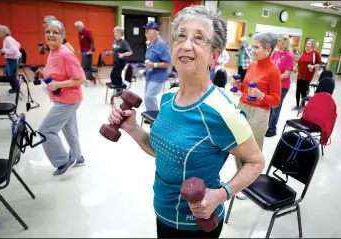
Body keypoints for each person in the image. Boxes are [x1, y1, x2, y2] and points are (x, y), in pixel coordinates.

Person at [108, 6, 265, 238]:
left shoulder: (222, 112)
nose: (187, 44)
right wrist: (132, 127)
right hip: (163, 211)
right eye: (181, 36)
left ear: (214, 54)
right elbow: (163, 152)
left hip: (195, 226)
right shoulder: (168, 97)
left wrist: (220, 195)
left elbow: (256, 162)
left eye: (199, 38)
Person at [231, 32, 281, 199]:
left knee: (252, 151)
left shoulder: (274, 71)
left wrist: (261, 96)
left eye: (257, 47)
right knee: (238, 145)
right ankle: (241, 179)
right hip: (243, 107)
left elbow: (276, 100)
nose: (253, 49)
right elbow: (246, 90)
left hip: (260, 113)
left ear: (268, 49)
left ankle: (250, 183)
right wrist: (238, 86)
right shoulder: (252, 66)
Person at [37, 20, 85, 176]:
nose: (50, 35)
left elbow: (81, 78)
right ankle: (78, 158)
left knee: (46, 131)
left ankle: (62, 160)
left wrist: (58, 85)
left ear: (63, 36)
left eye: (55, 32)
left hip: (68, 101)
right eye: (48, 31)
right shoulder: (53, 51)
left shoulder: (65, 54)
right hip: (63, 99)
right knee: (70, 130)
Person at [266, 34, 294, 137]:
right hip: (271, 85)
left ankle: (272, 129)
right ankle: (267, 126)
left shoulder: (289, 56)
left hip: (282, 86)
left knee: (275, 108)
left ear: (285, 42)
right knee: (269, 106)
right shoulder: (274, 54)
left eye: (279, 41)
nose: (277, 43)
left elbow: (286, 74)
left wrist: (274, 79)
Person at [142, 21, 172, 112]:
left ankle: (155, 118)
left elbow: (168, 63)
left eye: (148, 31)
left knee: (149, 97)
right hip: (150, 74)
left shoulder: (161, 45)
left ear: (155, 32)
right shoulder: (150, 43)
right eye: (145, 31)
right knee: (147, 97)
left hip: (158, 76)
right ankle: (150, 115)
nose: (145, 33)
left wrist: (153, 64)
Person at [294, 38, 322, 109]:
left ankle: (303, 105)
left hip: (308, 75)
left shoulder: (315, 53)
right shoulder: (303, 52)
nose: (307, 45)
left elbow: (319, 64)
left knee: (304, 90)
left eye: (309, 43)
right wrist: (295, 66)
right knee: (298, 90)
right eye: (307, 43)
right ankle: (297, 105)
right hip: (300, 74)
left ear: (313, 45)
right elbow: (300, 61)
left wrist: (313, 66)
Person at [105, 26, 133, 97]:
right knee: (118, 76)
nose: (115, 34)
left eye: (117, 32)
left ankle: (118, 89)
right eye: (115, 32)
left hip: (121, 62)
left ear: (121, 34)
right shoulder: (115, 41)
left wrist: (122, 54)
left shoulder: (124, 42)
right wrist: (109, 52)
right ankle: (120, 90)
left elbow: (130, 52)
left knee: (113, 75)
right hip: (115, 61)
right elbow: (115, 51)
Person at [0, 25, 22, 93]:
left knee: (11, 75)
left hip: (14, 59)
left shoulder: (8, 39)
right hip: (10, 59)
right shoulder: (7, 38)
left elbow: (14, 50)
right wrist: (4, 51)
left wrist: (4, 50)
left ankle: (16, 89)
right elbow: (18, 45)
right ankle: (14, 87)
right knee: (7, 73)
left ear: (5, 32)